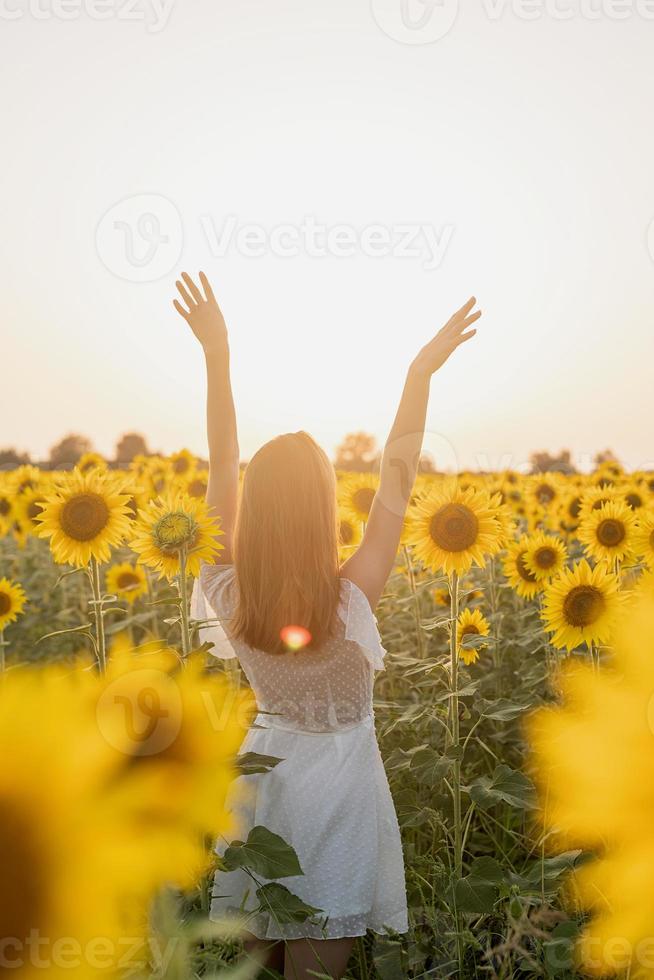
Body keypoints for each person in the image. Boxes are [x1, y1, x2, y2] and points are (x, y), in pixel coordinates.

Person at [175, 272, 481, 980]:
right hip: (340, 791)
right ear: (323, 509)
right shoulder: (350, 598)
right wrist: (417, 372)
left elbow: (222, 459)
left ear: (255, 504)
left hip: (264, 786)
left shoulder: (227, 589)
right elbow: (397, 474)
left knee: (259, 967)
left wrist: (217, 355)